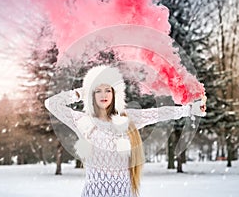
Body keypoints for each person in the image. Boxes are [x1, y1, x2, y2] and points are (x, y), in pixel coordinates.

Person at [44, 65, 206, 197]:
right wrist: (80, 92)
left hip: (124, 193)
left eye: (108, 90)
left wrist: (189, 110)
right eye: (97, 90)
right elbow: (52, 104)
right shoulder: (83, 121)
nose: (103, 94)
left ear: (115, 94)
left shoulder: (128, 119)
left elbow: (157, 114)